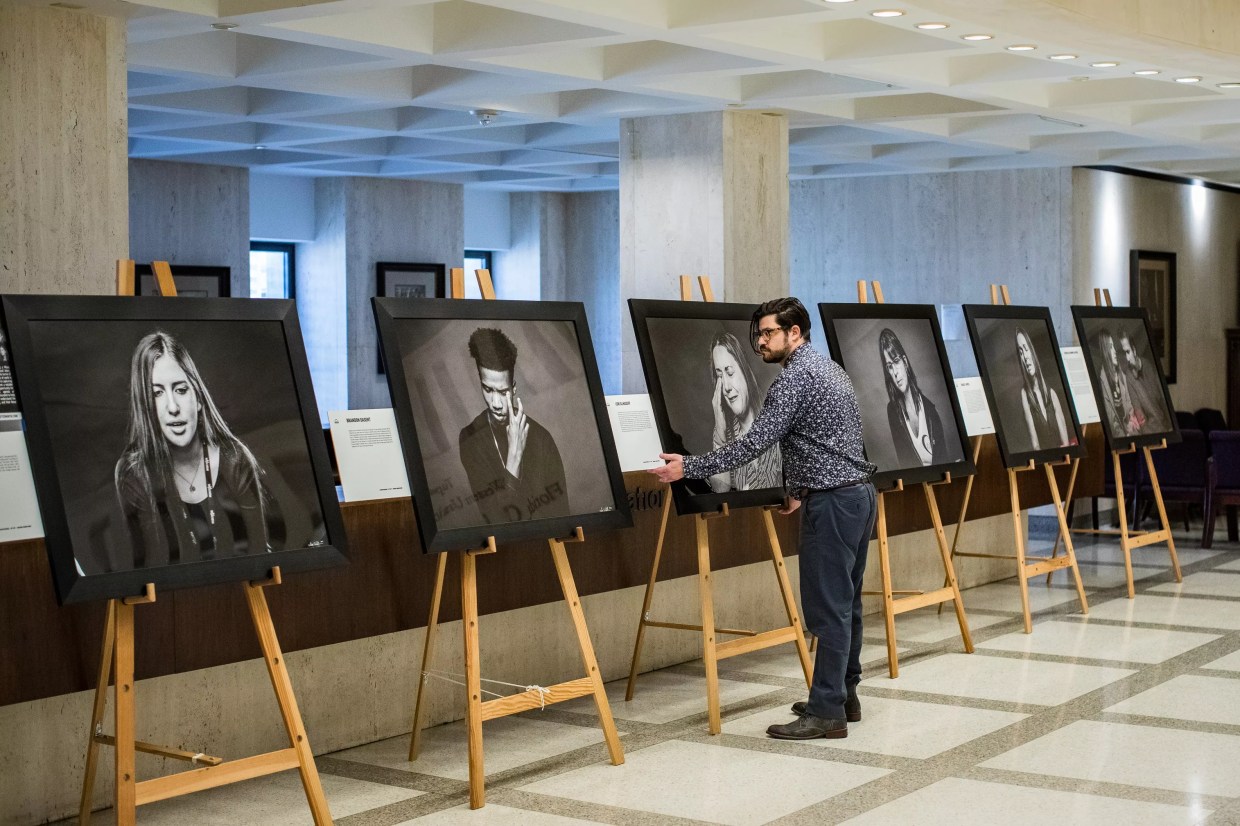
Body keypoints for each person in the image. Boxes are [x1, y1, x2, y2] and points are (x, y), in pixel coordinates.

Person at [651, 297, 876, 741]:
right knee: (847, 603)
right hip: (858, 496)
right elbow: (824, 438)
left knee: (827, 609)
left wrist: (688, 467)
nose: (760, 342)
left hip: (832, 504)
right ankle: (843, 695)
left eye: (769, 333)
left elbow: (753, 444)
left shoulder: (796, 379)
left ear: (795, 333)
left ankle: (826, 711)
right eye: (758, 334)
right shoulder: (828, 369)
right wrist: (796, 489)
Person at [114, 331, 284, 569]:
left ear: (199, 398)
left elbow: (259, 552)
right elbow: (146, 565)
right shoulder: (135, 471)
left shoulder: (233, 458)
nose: (173, 407)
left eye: (181, 390)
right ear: (146, 407)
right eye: (157, 393)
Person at [458, 327, 569, 524]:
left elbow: (560, 518)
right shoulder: (470, 438)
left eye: (503, 392)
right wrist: (514, 457)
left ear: (514, 388)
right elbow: (496, 519)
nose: (496, 403)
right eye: (488, 389)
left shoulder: (542, 438)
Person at [706, 330, 781, 492]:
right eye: (719, 376)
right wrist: (719, 437)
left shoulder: (777, 417)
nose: (726, 387)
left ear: (745, 371)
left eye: (729, 372)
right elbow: (720, 492)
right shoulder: (722, 434)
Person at [878, 328, 949, 468]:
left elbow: (944, 463)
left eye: (896, 361)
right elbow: (904, 463)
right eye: (889, 366)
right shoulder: (892, 411)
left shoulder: (930, 411)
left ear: (905, 362)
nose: (895, 373)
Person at [1014, 326, 1070, 450]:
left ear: (1032, 351)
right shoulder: (1025, 395)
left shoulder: (1052, 393)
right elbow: (1036, 445)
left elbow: (1065, 445)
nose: (1025, 357)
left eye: (1026, 349)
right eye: (1021, 352)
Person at [1118, 329, 1169, 433]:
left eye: (1128, 352)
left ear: (1134, 350)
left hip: (1167, 427)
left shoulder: (1149, 365)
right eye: (1124, 353)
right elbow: (1138, 411)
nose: (1127, 358)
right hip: (1152, 432)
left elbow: (1163, 398)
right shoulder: (1129, 377)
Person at [1096, 329, 1141, 437]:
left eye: (1113, 346)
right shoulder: (1103, 381)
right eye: (1110, 347)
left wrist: (1131, 423)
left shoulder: (1121, 373)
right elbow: (1112, 422)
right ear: (1105, 351)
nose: (1114, 351)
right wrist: (1125, 437)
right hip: (1119, 439)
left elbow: (1130, 404)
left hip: (1132, 430)